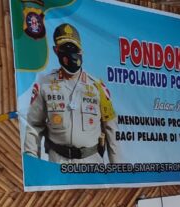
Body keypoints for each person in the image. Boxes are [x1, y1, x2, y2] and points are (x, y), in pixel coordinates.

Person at [23, 23, 121, 163]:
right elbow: (34, 125)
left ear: (81, 50)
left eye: (73, 47)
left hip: (91, 163)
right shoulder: (44, 85)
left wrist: (117, 168)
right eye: (64, 47)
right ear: (56, 50)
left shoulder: (97, 87)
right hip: (57, 163)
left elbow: (111, 127)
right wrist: (32, 162)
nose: (70, 52)